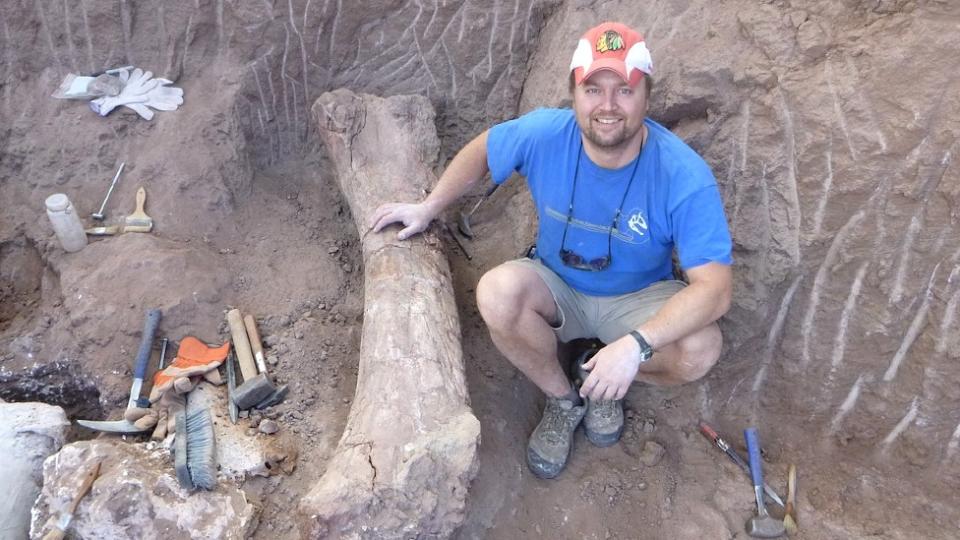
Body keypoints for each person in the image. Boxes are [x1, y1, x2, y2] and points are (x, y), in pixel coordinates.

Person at [370, 21, 733, 479]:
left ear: (647, 97)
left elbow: (715, 290)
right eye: (592, 89)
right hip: (557, 283)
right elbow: (485, 149)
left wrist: (636, 345)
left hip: (638, 299)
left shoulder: (682, 173)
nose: (607, 106)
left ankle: (599, 378)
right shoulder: (546, 134)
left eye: (624, 90)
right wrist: (429, 207)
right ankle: (564, 398)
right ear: (574, 95)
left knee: (700, 348)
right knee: (497, 293)